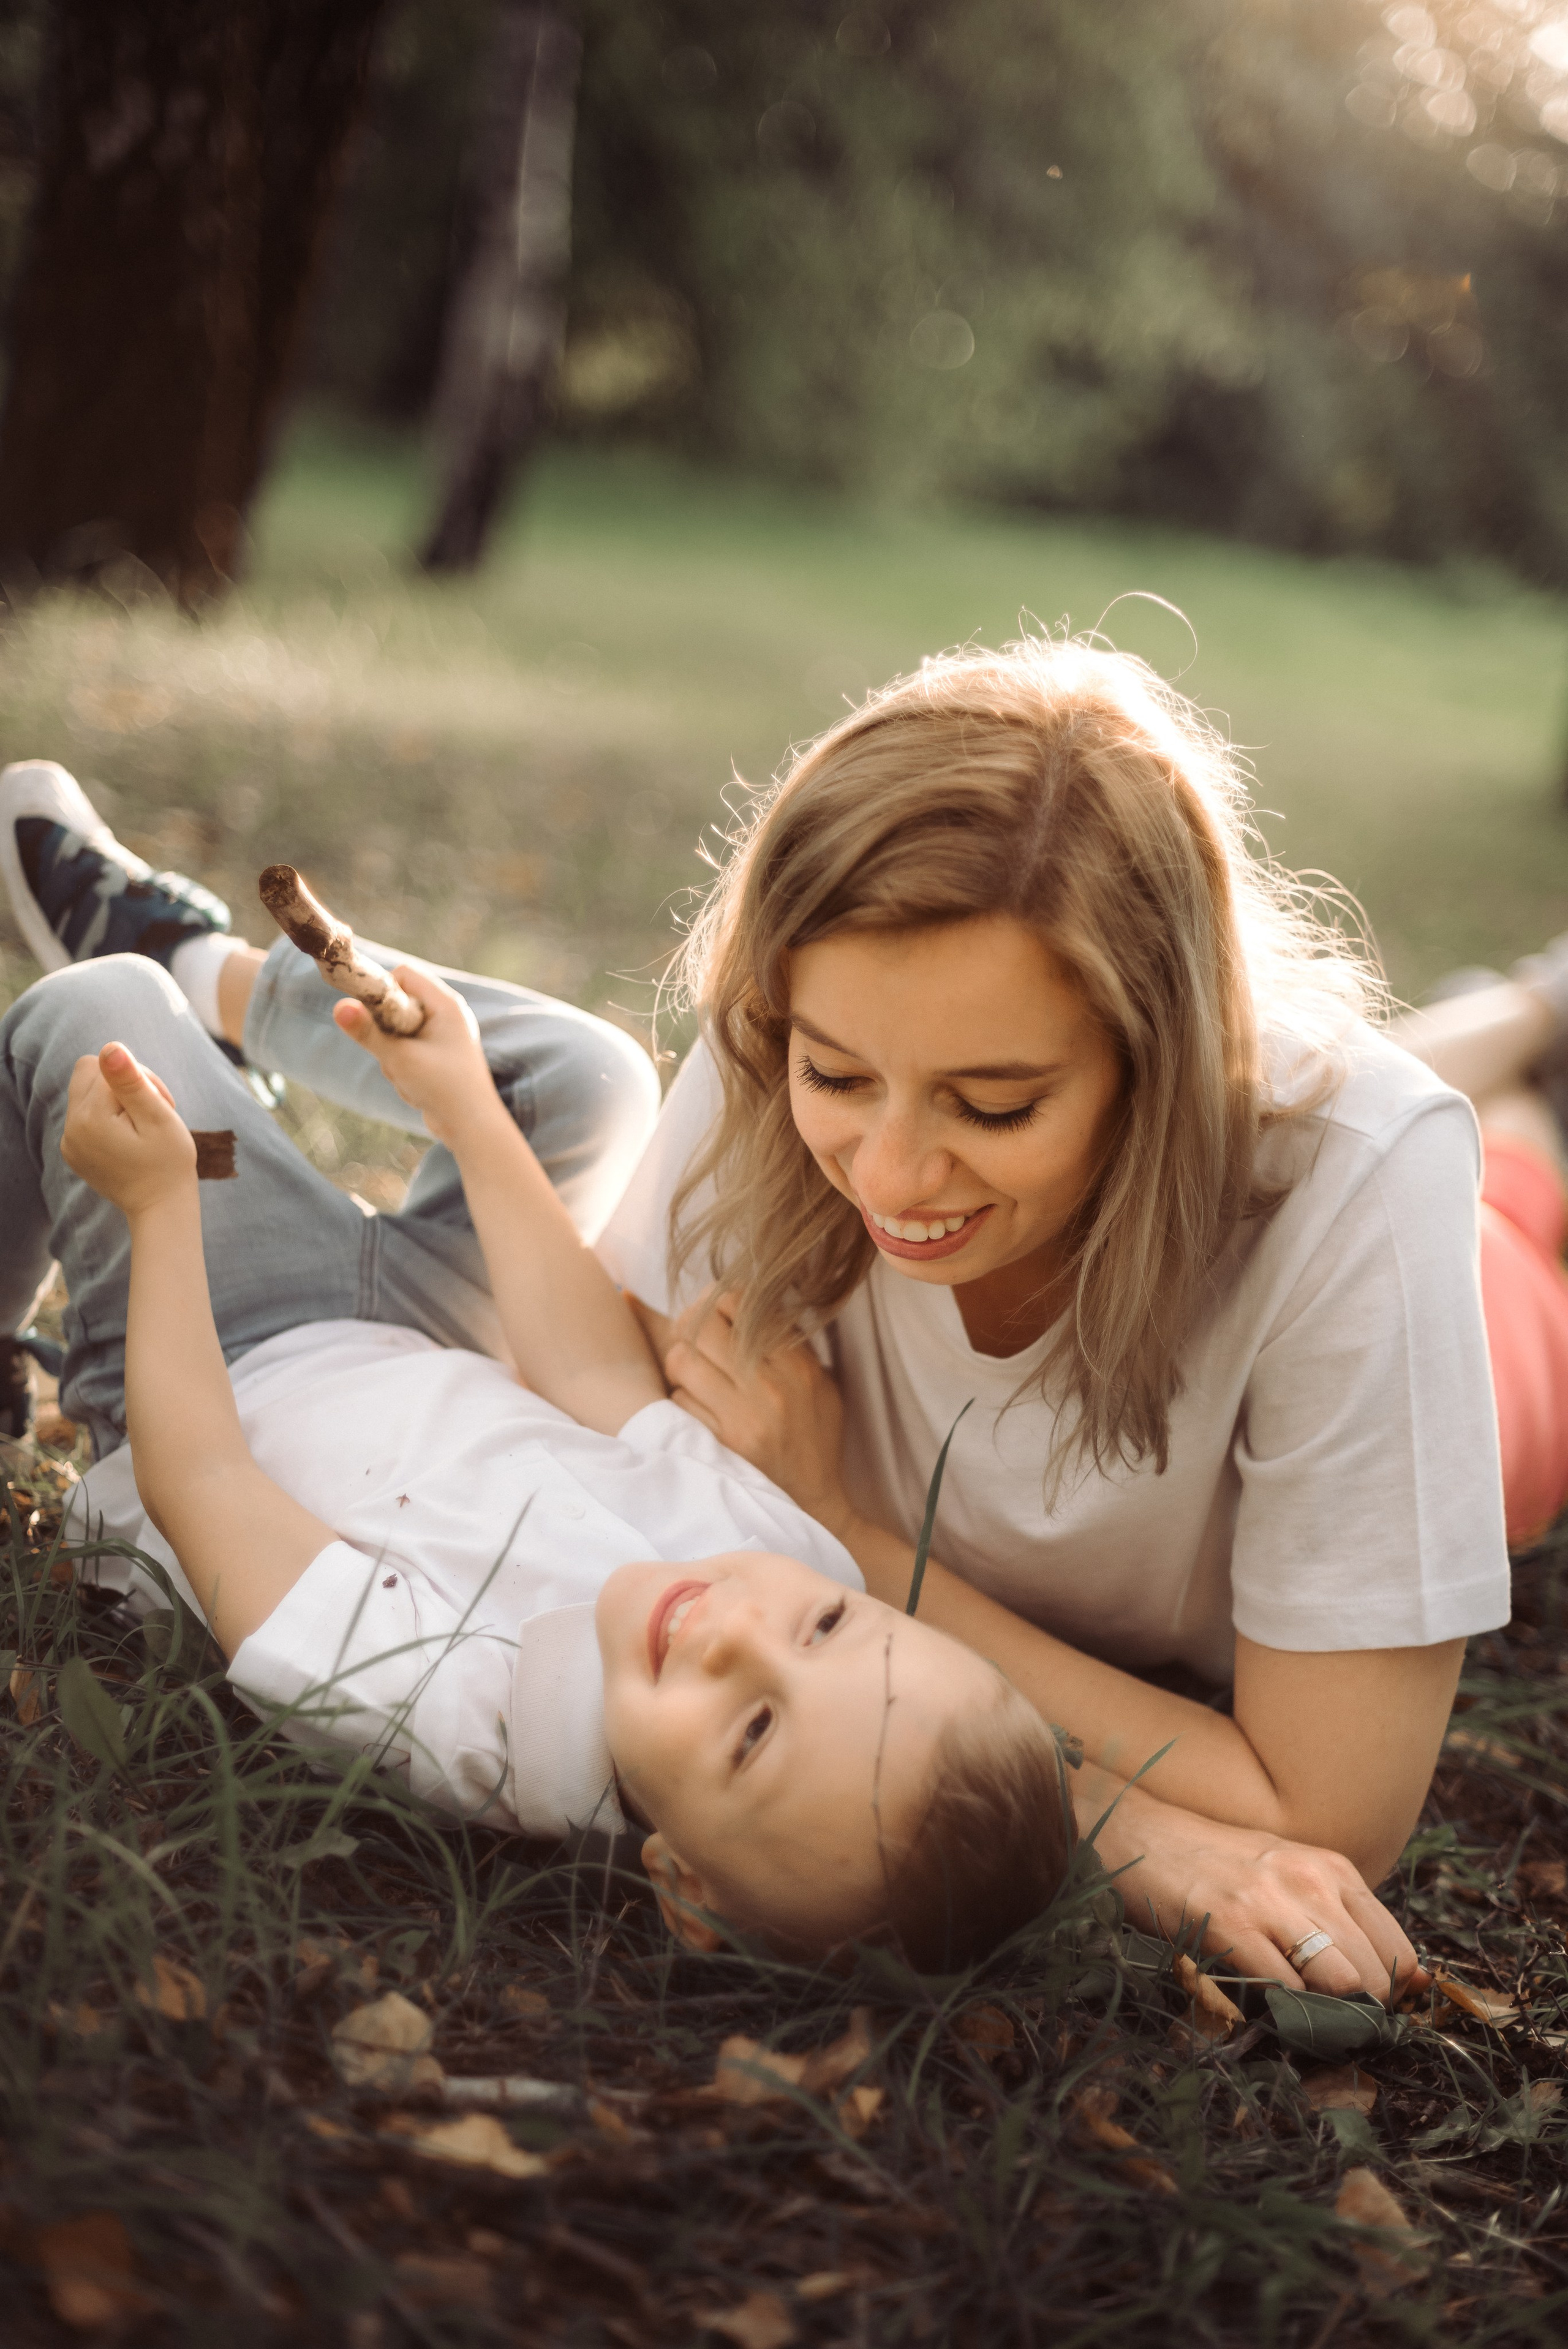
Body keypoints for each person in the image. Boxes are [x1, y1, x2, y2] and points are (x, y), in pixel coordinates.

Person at [0, 764, 1068, 1972]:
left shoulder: (451, 1721)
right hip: (432, 1338)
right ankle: (217, 984)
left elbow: (205, 1484)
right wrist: (465, 1108)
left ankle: (146, 1113)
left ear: (682, 1883)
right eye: (826, 1626)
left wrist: (161, 1209)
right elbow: (589, 1378)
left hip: (234, 1349)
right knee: (594, 1080)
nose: (738, 1634)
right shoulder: (781, 1560)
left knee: (95, 1011)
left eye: (751, 1731)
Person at [594, 637, 1532, 2004]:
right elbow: (589, 1430)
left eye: (992, 1106)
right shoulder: (807, 1036)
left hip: (1505, 1352)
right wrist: (1126, 1815)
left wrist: (854, 1534)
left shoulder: (1358, 1186)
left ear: (1155, 1064)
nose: (892, 1177)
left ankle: (1529, 1044)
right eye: (834, 1073)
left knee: (1509, 1192)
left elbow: (1315, 1810)